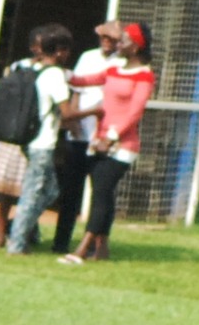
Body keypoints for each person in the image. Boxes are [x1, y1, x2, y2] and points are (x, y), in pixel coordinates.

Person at [62, 23, 154, 265]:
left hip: (122, 146)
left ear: (135, 47)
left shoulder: (144, 75)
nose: (118, 45)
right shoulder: (114, 68)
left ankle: (83, 249)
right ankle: (102, 249)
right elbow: (84, 81)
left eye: (122, 41)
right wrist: (61, 71)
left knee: (100, 194)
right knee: (104, 194)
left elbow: (134, 112)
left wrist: (112, 136)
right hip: (100, 141)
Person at [4, 24, 77, 256]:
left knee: (51, 190)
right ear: (58, 51)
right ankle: (16, 244)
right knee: (32, 193)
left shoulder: (35, 69)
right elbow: (66, 113)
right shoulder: (54, 74)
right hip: (42, 143)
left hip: (33, 141)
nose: (67, 55)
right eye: (65, 49)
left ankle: (20, 231)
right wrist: (95, 110)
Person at [51, 22, 119, 254]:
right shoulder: (88, 57)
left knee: (101, 193)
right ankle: (61, 242)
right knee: (71, 191)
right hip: (81, 135)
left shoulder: (121, 64)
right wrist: (73, 124)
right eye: (103, 37)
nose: (106, 41)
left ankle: (96, 245)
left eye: (111, 38)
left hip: (104, 138)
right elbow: (77, 92)